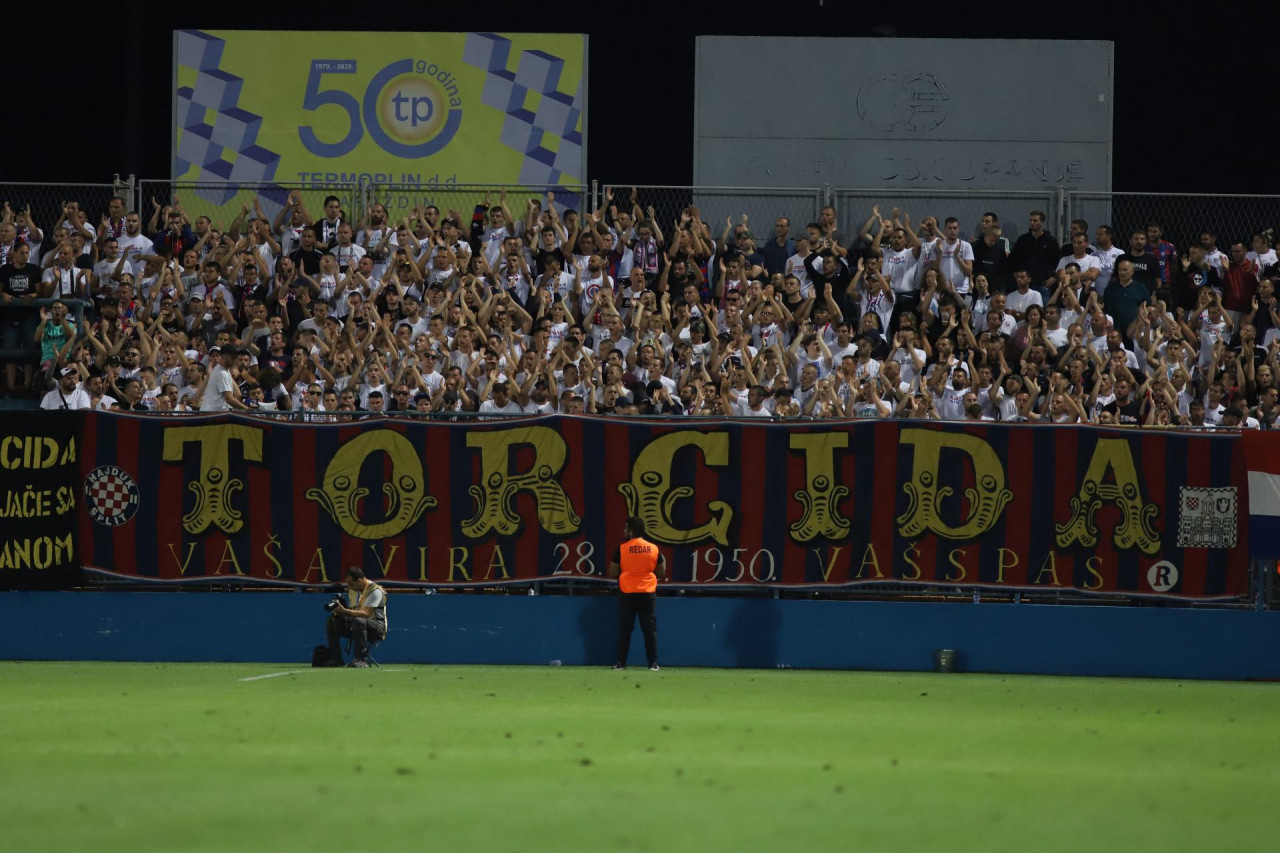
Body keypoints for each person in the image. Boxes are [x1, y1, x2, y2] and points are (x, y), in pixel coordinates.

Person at [607, 516, 666, 671]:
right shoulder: (653, 548)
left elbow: (613, 572)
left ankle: (620, 663)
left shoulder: (622, 548)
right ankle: (653, 664)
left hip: (627, 592)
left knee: (625, 629)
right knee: (649, 629)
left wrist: (627, 571)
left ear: (631, 531)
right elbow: (661, 571)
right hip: (647, 593)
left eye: (626, 528)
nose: (624, 531)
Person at [324, 566, 388, 668]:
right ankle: (336, 659)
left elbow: (366, 614)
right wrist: (341, 613)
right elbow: (356, 611)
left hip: (377, 628)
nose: (349, 587)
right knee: (332, 620)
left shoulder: (375, 591)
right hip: (360, 624)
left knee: (359, 621)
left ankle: (361, 660)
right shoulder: (359, 591)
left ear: (359, 581)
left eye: (351, 584)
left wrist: (344, 611)